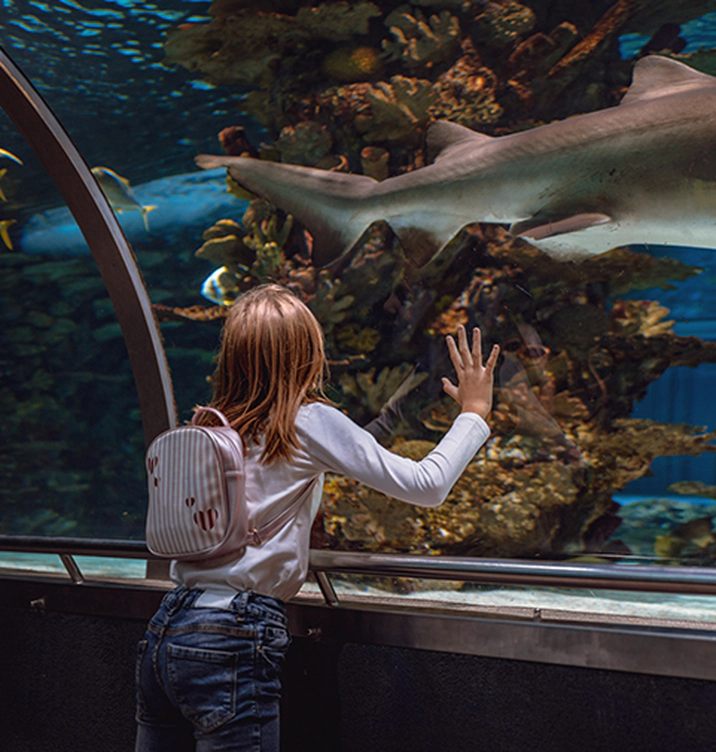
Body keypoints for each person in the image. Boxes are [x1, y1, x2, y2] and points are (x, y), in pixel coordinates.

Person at [134, 284, 498, 752]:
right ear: (307, 353)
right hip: (234, 635)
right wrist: (474, 412)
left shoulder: (210, 424)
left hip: (168, 626)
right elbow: (425, 485)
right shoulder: (308, 420)